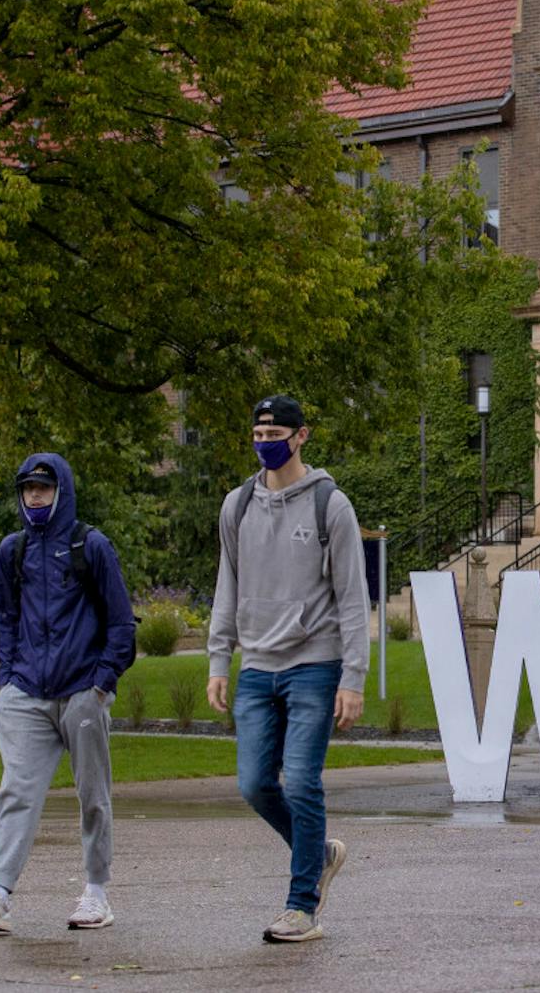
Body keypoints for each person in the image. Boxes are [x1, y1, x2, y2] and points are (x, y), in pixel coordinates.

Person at [207, 395, 369, 942]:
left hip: (314, 665)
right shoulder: (238, 505)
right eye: (257, 432)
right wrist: (218, 659)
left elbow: (352, 597)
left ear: (302, 436)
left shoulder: (330, 504)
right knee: (255, 784)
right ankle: (318, 853)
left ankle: (302, 906)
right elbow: (227, 583)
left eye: (275, 432)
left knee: (301, 780)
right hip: (256, 666)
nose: (264, 442)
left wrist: (354, 676)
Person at [0, 453, 136, 933]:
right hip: (26, 693)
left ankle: (96, 893)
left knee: (92, 794)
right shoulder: (11, 550)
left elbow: (121, 623)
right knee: (17, 789)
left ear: (61, 491)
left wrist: (102, 683)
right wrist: (8, 681)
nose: (35, 497)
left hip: (82, 691)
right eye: (28, 490)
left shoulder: (90, 545)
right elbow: (7, 617)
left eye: (44, 489)